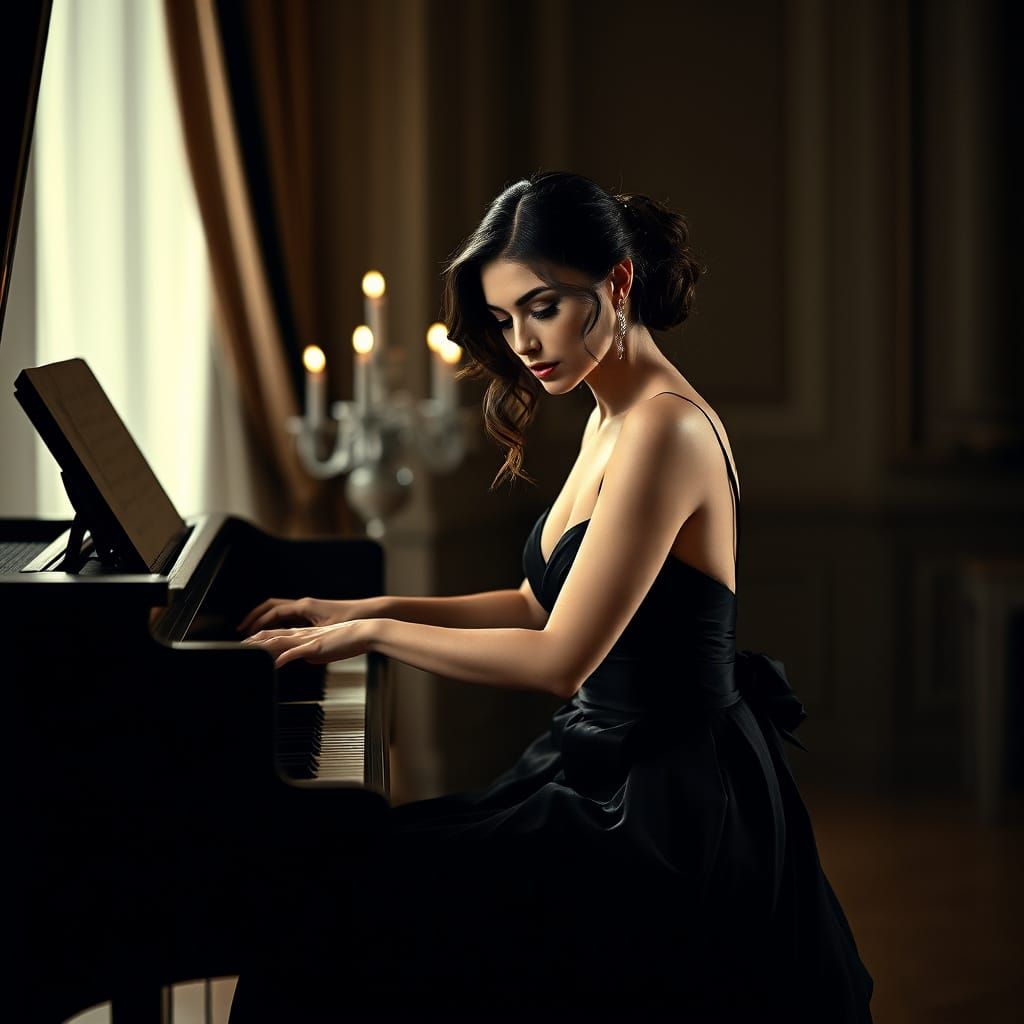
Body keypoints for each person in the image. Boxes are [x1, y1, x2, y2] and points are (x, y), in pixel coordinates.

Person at [231, 170, 874, 1021]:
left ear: (617, 282)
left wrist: (374, 637)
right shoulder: (611, 414)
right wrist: (349, 612)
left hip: (662, 812)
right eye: (503, 319)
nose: (523, 341)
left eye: (541, 306)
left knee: (345, 903)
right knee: (333, 886)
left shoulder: (666, 428)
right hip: (597, 770)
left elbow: (560, 658)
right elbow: (538, 605)